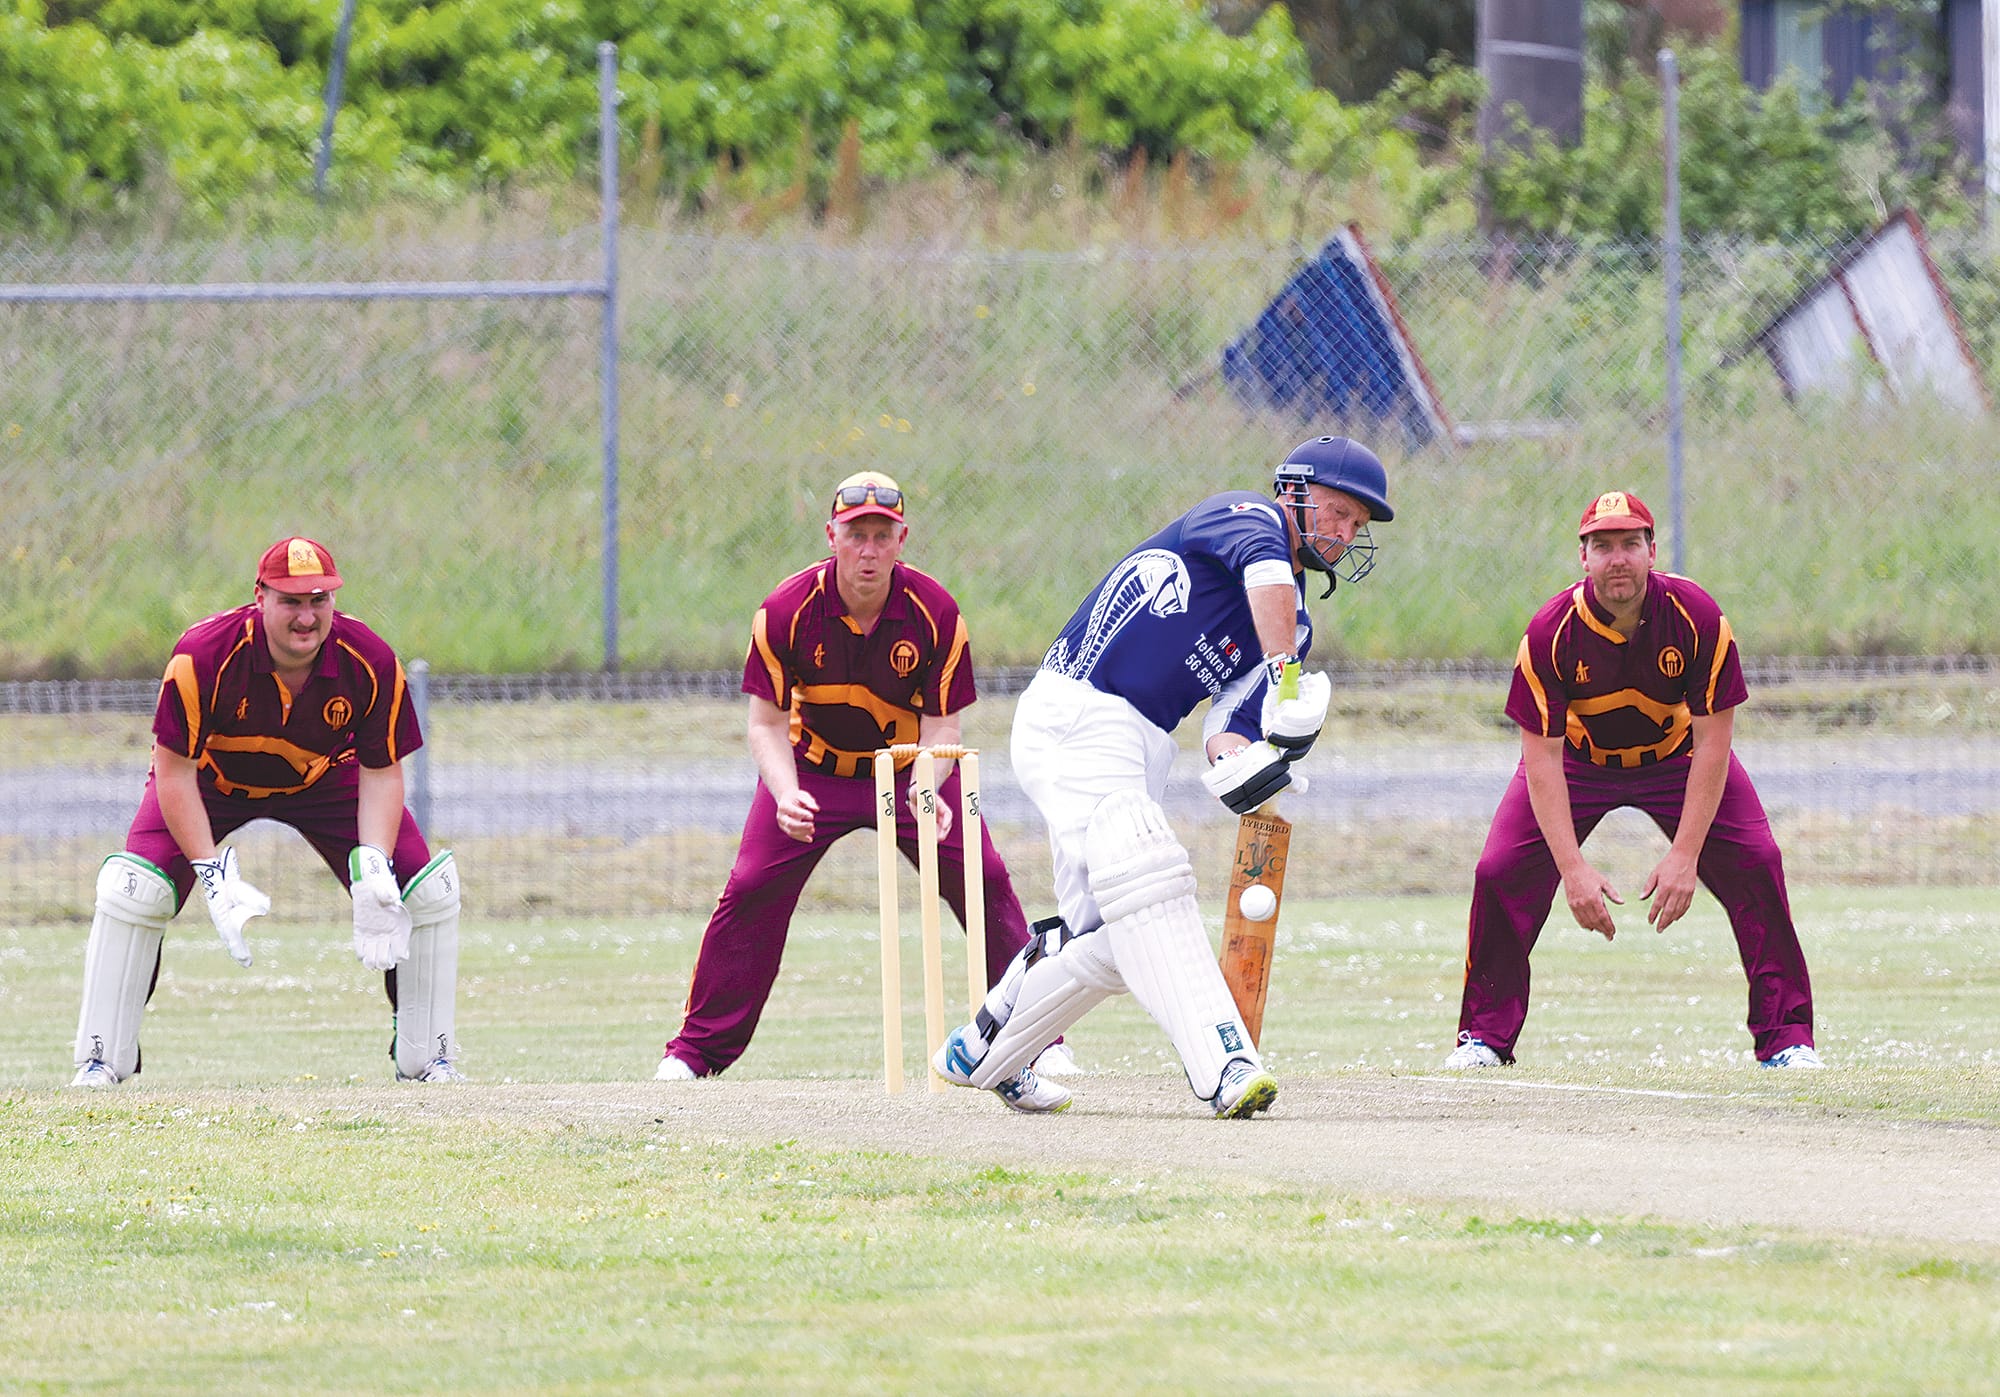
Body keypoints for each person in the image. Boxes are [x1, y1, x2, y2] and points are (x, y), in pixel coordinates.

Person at [930, 435, 1394, 1118]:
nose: (1347, 532)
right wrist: (1287, 677)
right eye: (1341, 512)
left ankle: (984, 1047)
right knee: (1153, 872)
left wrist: (1259, 763)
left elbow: (1225, 729)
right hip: (1079, 708)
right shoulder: (1245, 517)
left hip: (1141, 744)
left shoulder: (1293, 626)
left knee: (1113, 940)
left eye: (1358, 525)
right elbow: (1265, 578)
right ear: (1294, 491)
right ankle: (1226, 1062)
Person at [655, 470, 1069, 1109]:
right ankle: (693, 1053)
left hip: (911, 772)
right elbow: (764, 725)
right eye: (856, 536)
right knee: (751, 886)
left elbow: (944, 727)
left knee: (984, 875)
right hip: (813, 772)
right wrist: (787, 793)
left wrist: (926, 788)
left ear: (902, 538)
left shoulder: (936, 611)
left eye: (882, 535)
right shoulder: (786, 610)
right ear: (832, 536)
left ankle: (1037, 1038)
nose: (868, 550)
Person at [1444, 490, 1822, 1070]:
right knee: (1499, 872)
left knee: (1757, 860)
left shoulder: (1697, 616)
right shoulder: (1550, 630)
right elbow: (1540, 760)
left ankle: (1787, 1040)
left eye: (1628, 544)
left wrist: (1685, 856)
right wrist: (1572, 869)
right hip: (1577, 762)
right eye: (1602, 546)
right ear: (1583, 558)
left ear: (1651, 552)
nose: (1616, 558)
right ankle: (1485, 1038)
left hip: (1678, 757)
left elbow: (1714, 742)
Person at [71, 537, 464, 1087]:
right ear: (260, 598)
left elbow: (381, 768)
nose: (307, 616)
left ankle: (429, 1061)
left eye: (319, 600)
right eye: (291, 600)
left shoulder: (369, 659)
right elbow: (175, 771)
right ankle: (99, 1060)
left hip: (327, 778)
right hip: (211, 781)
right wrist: (210, 874)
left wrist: (374, 861)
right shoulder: (202, 655)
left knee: (426, 891)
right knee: (132, 890)